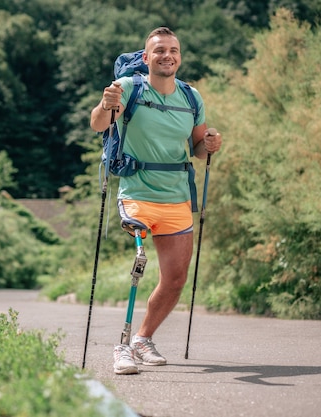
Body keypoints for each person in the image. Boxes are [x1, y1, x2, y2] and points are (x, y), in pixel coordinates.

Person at [90, 27, 223, 375]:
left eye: (174, 50)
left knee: (176, 278)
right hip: (137, 193)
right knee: (140, 260)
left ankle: (142, 338)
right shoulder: (129, 88)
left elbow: (195, 148)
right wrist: (105, 105)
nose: (168, 56)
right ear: (146, 58)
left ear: (180, 57)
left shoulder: (192, 98)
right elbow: (98, 124)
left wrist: (208, 144)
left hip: (177, 197)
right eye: (160, 50)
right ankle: (121, 348)